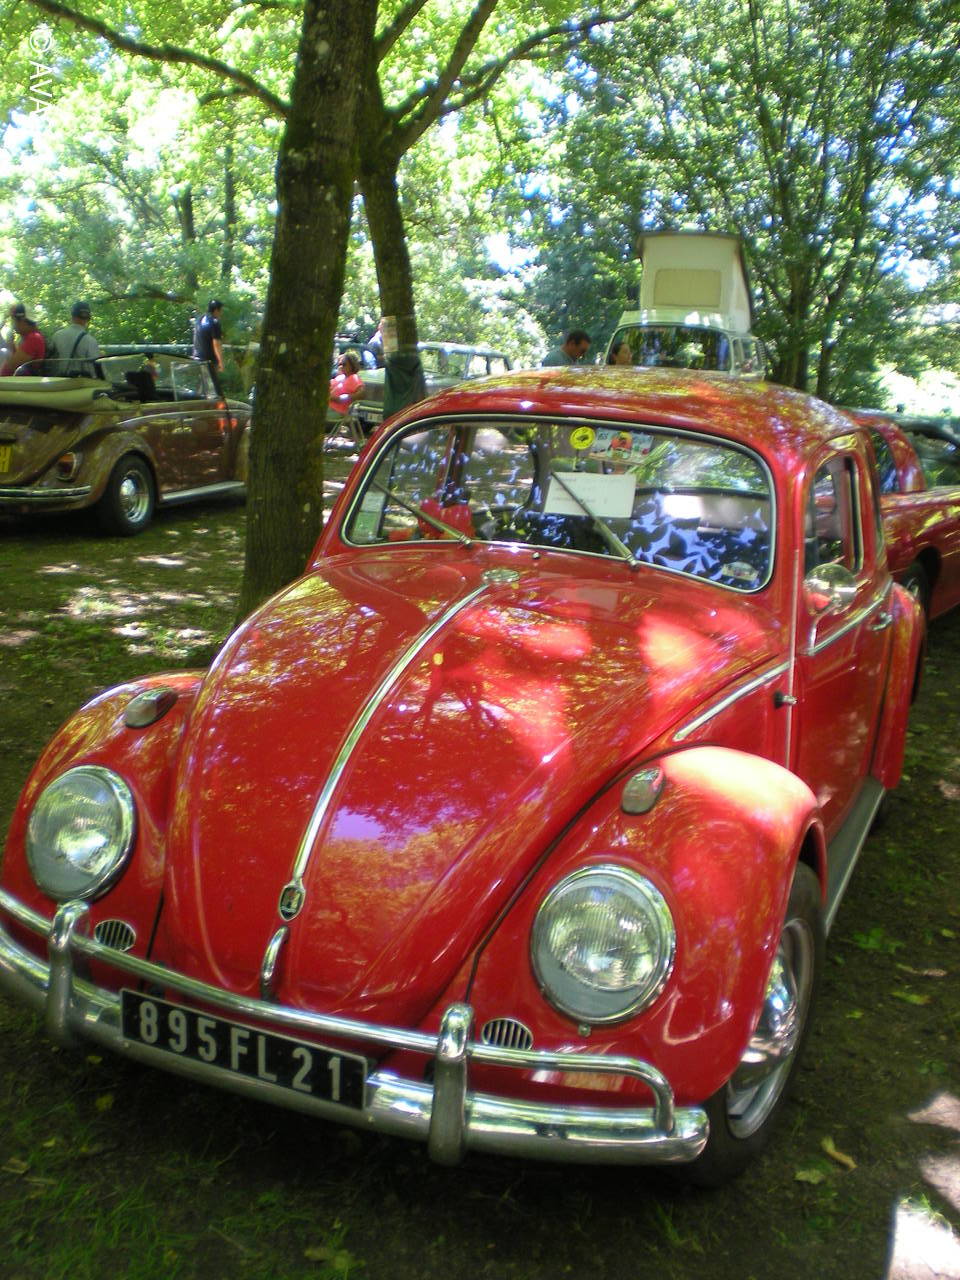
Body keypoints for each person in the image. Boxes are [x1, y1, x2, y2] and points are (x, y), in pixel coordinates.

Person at [49, 301, 101, 375]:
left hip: (60, 379)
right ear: (88, 319)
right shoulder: (90, 340)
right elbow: (94, 366)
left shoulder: (57, 335)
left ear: (72, 316)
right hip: (81, 380)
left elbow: (51, 359)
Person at [0, 303, 46, 375]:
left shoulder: (34, 338)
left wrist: (9, 342)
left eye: (13, 320)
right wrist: (11, 344)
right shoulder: (28, 338)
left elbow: (11, 367)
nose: (13, 325)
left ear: (22, 320)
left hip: (24, 381)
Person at [193, 299, 225, 394]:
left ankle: (196, 401)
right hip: (209, 361)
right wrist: (220, 362)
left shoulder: (200, 319)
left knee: (200, 386)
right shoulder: (214, 322)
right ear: (216, 310)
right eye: (221, 310)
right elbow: (216, 344)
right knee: (212, 389)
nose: (221, 313)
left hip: (197, 358)